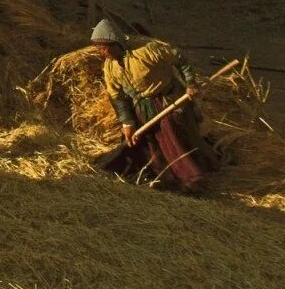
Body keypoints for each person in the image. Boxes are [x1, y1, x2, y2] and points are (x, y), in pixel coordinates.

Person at [90, 17, 213, 191]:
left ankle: (190, 178)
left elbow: (180, 59)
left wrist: (191, 84)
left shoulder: (148, 49)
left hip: (167, 102)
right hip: (142, 107)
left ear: (115, 43)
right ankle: (162, 175)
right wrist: (127, 123)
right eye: (98, 48)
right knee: (144, 142)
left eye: (103, 48)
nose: (101, 53)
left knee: (173, 137)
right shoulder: (110, 67)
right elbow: (117, 97)